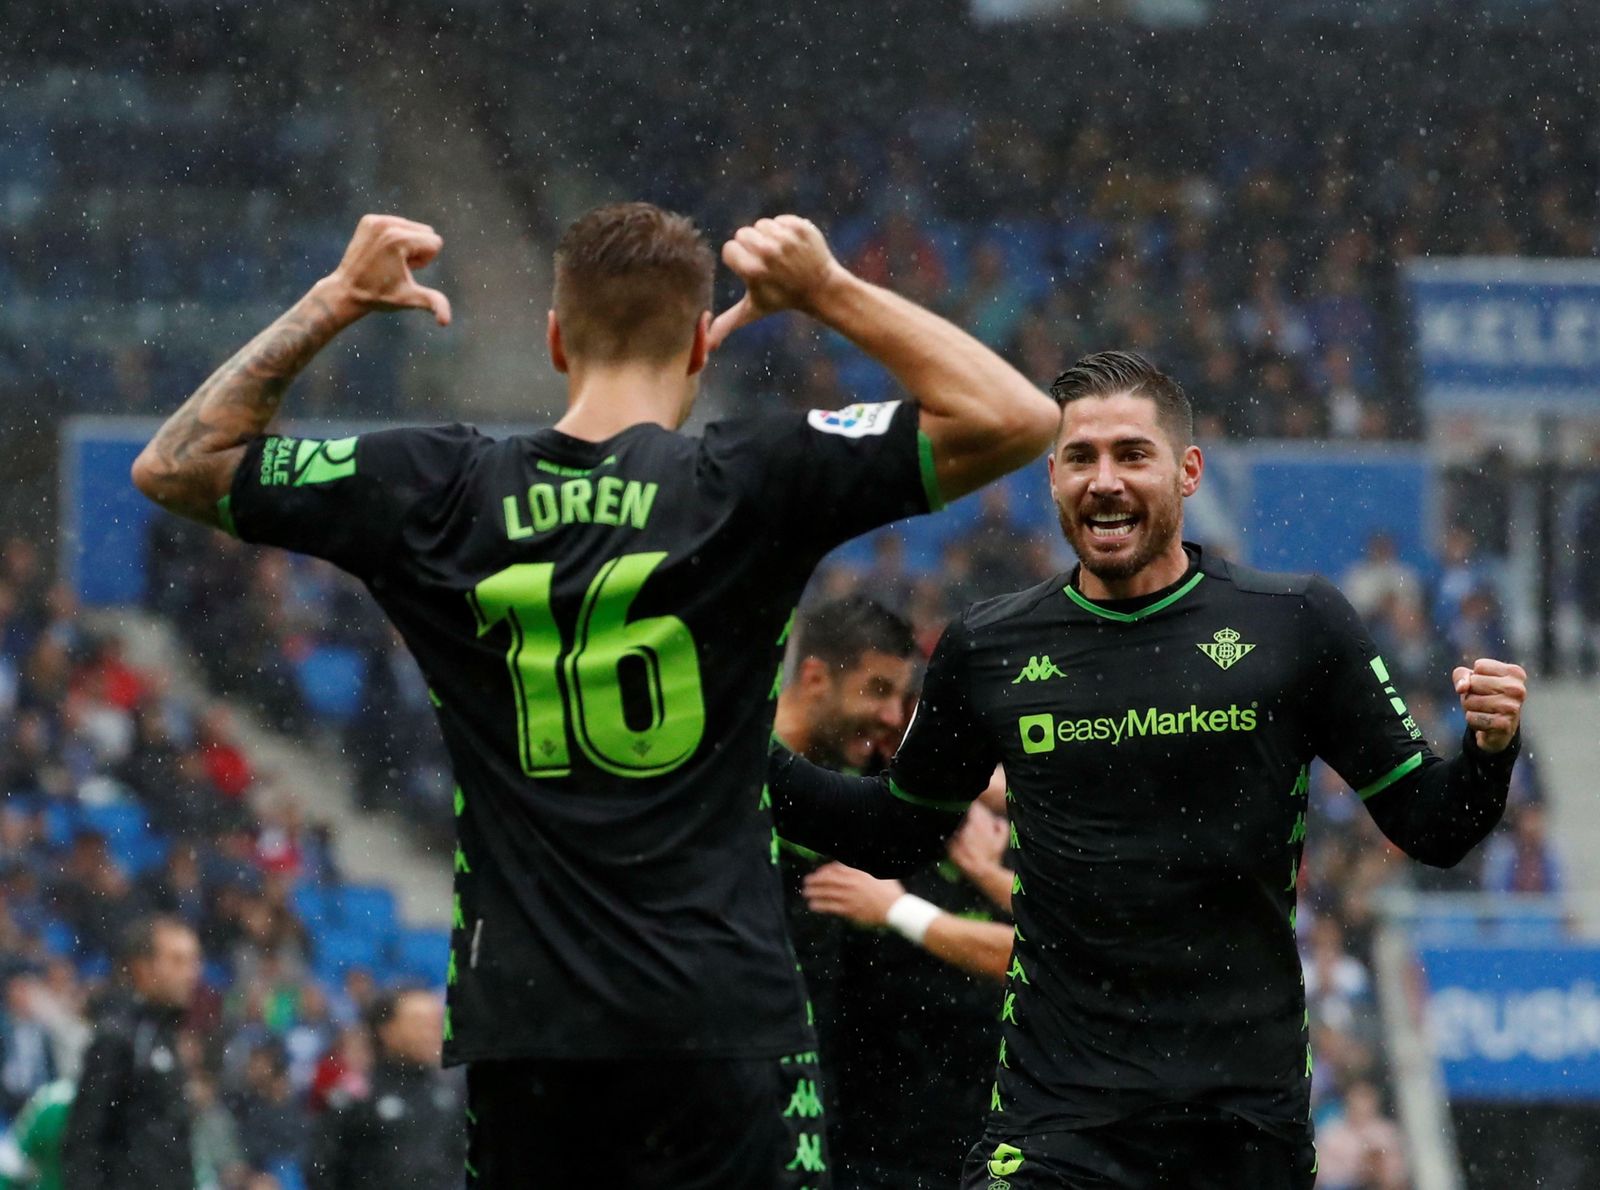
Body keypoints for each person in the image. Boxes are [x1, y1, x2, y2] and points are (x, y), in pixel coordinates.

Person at [131, 204, 1058, 1188]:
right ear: (702, 342)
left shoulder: (437, 486)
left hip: (528, 1020)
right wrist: (826, 290)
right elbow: (1018, 417)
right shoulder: (749, 477)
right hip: (714, 1008)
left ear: (555, 338)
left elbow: (179, 464)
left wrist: (334, 299)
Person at [767, 350, 1527, 1189]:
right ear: (1052, 476)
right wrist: (735, 750)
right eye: (1082, 458)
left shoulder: (1295, 623)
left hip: (1239, 1122)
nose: (1105, 480)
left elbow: (1437, 826)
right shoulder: (988, 646)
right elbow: (892, 828)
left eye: (1132, 454)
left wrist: (1489, 754)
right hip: (1058, 1122)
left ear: (1188, 471)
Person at [773, 598, 1013, 1186]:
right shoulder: (730, 790)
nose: (890, 717)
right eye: (877, 690)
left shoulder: (895, 803)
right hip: (761, 1082)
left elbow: (1048, 942)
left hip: (884, 1127)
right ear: (814, 678)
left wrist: (972, 805)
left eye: (900, 698)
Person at [62, 915, 201, 1190]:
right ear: (142, 968)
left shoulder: (164, 1034)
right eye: (177, 960)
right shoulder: (117, 1037)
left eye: (193, 961)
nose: (191, 973)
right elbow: (84, 1139)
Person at [308, 987, 464, 1189]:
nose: (431, 1032)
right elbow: (321, 1171)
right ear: (386, 1030)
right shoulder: (357, 1097)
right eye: (419, 1023)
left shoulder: (451, 1095)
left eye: (435, 1022)